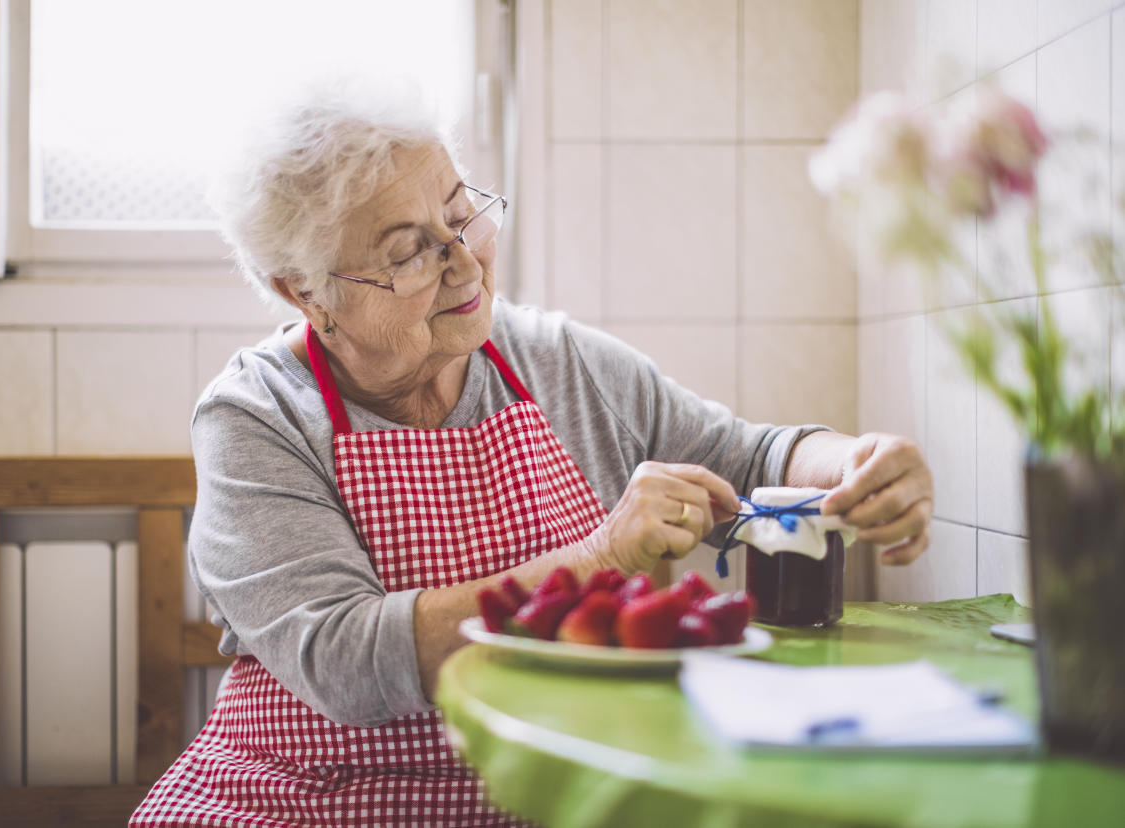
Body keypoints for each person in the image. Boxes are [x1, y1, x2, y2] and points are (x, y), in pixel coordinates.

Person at [130, 83, 933, 827]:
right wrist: (600, 554)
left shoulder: (556, 360)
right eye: (410, 251)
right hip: (306, 800)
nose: (466, 258)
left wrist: (854, 461)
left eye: (462, 212)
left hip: (550, 792)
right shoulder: (257, 416)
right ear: (304, 292)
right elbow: (346, 658)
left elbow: (749, 456)